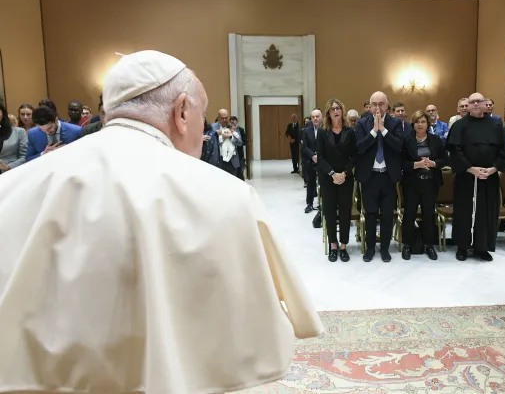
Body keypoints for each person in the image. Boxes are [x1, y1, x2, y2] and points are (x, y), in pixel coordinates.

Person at [0, 50, 322, 394]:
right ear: (182, 111)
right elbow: (257, 341)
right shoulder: (226, 195)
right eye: (202, 113)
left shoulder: (10, 189)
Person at [446, 92, 505, 262]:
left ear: (485, 104)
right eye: (471, 102)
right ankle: (462, 246)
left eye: (478, 102)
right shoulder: (459, 125)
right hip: (466, 176)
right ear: (467, 105)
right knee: (464, 211)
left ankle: (482, 247)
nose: (475, 105)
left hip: (489, 177)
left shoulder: (496, 125)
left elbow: (503, 150)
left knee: (486, 211)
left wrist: (494, 168)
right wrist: (470, 168)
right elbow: (455, 151)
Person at [355, 91, 403, 262]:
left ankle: (384, 249)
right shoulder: (361, 123)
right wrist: (374, 132)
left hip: (388, 176)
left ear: (387, 104)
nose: (377, 108)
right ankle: (369, 249)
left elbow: (398, 146)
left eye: (380, 104)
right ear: (369, 106)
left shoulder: (395, 122)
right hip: (370, 176)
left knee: (387, 214)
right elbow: (360, 147)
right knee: (370, 214)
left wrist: (383, 130)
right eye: (373, 104)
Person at [400, 110, 448, 261]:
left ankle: (429, 245)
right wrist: (416, 164)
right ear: (413, 125)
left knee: (429, 214)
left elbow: (444, 160)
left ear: (428, 124)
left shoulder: (435, 140)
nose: (420, 125)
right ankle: (407, 245)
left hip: (430, 183)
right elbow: (401, 163)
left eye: (423, 122)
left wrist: (433, 163)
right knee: (409, 214)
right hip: (412, 183)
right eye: (417, 122)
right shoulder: (406, 140)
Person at [316, 99, 357, 263]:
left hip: (346, 178)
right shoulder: (322, 132)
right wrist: (333, 173)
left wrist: (344, 173)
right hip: (328, 178)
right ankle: (333, 244)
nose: (335, 111)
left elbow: (354, 156)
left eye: (338, 108)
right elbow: (320, 157)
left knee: (346, 212)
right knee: (330, 212)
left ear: (342, 111)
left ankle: (344, 245)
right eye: (332, 109)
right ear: (328, 113)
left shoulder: (350, 132)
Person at [302, 109, 322, 213]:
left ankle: (322, 204)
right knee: (310, 182)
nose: (315, 118)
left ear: (321, 117)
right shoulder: (307, 130)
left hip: (323, 160)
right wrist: (313, 156)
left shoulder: (326, 129)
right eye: (313, 117)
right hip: (310, 160)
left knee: (323, 183)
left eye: (317, 116)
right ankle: (309, 204)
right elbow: (304, 146)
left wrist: (319, 155)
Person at [0, 103, 28, 174]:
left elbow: (25, 156)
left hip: (10, 173)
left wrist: (8, 167)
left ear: (3, 113)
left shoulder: (19, 132)